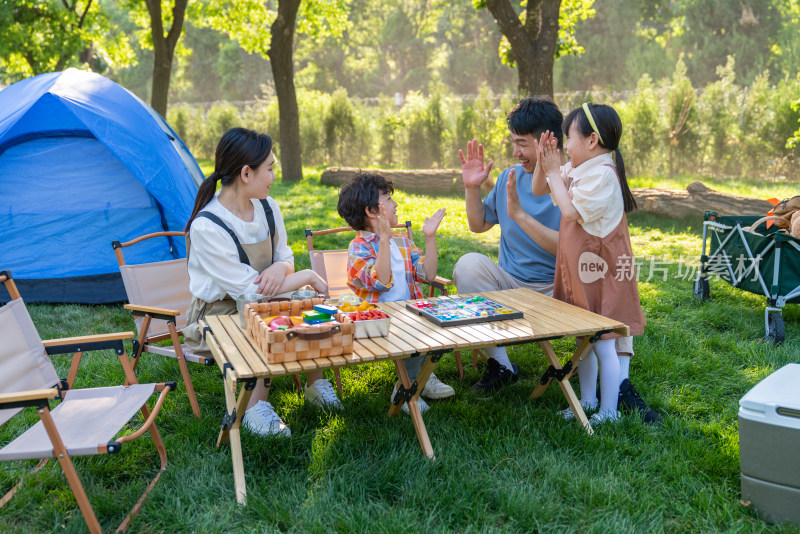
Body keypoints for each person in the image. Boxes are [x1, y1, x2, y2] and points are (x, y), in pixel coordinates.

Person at [183, 127, 342, 438]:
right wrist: (306, 276)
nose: (273, 175)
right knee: (263, 317)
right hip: (218, 314)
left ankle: (316, 385)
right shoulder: (208, 225)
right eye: (269, 168)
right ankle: (255, 407)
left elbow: (285, 255)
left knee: (311, 303)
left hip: (262, 299)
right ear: (246, 173)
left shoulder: (269, 207)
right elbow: (248, 290)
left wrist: (281, 267)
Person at [534, 102, 651, 425]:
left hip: (601, 276)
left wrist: (555, 170)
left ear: (591, 141)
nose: (566, 145)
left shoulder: (602, 176)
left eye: (568, 138)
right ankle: (586, 401)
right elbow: (543, 188)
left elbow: (570, 211)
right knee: (584, 339)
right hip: (583, 273)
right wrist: (547, 163)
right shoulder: (581, 169)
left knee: (603, 344)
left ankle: (609, 410)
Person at [454, 96, 563, 393]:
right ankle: (501, 365)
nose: (515, 152)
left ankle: (590, 364)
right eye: (513, 143)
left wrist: (522, 216)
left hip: (560, 291)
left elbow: (570, 248)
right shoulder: (509, 178)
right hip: (512, 285)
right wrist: (471, 187)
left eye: (522, 143)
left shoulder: (571, 181)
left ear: (547, 141)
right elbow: (478, 224)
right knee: (468, 266)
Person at [337, 173, 452, 413]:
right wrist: (384, 237)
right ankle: (406, 386)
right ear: (373, 211)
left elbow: (428, 274)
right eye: (389, 199)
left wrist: (430, 238)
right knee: (412, 326)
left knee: (443, 318)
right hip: (379, 321)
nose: (395, 204)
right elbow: (381, 281)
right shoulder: (358, 247)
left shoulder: (402, 242)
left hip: (410, 312)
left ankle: (422, 377)